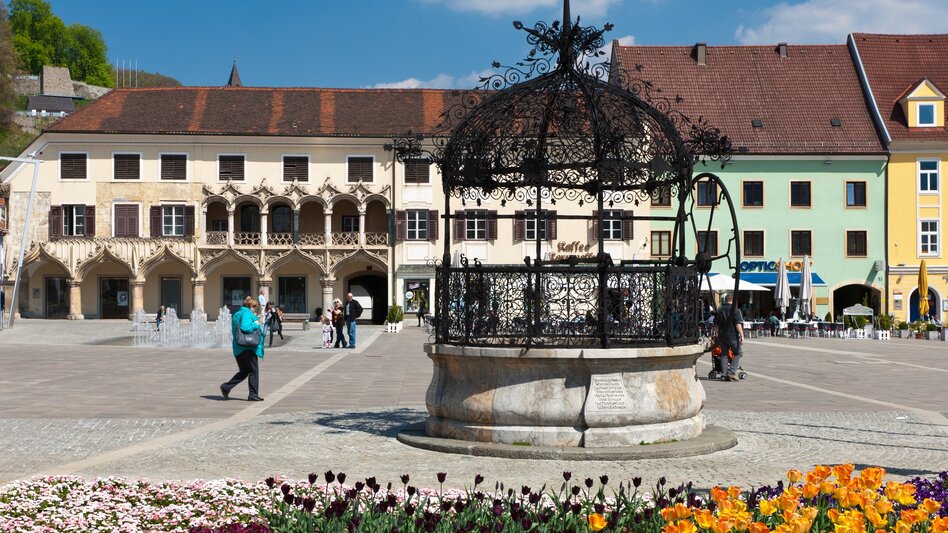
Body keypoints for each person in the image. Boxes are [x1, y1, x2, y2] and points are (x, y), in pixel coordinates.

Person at [221, 296, 265, 401]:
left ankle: (226, 387)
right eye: (254, 307)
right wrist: (255, 324)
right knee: (253, 371)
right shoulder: (246, 313)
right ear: (250, 306)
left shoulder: (238, 314)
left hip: (238, 348)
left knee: (244, 371)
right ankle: (253, 394)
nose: (254, 309)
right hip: (247, 347)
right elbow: (245, 327)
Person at [713, 293, 744, 381]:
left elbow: (716, 325)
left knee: (724, 354)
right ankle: (731, 372)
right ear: (733, 301)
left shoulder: (719, 310)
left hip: (722, 336)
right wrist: (742, 335)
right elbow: (738, 324)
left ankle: (724, 374)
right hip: (732, 335)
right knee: (738, 353)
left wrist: (717, 334)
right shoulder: (735, 310)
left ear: (726, 300)